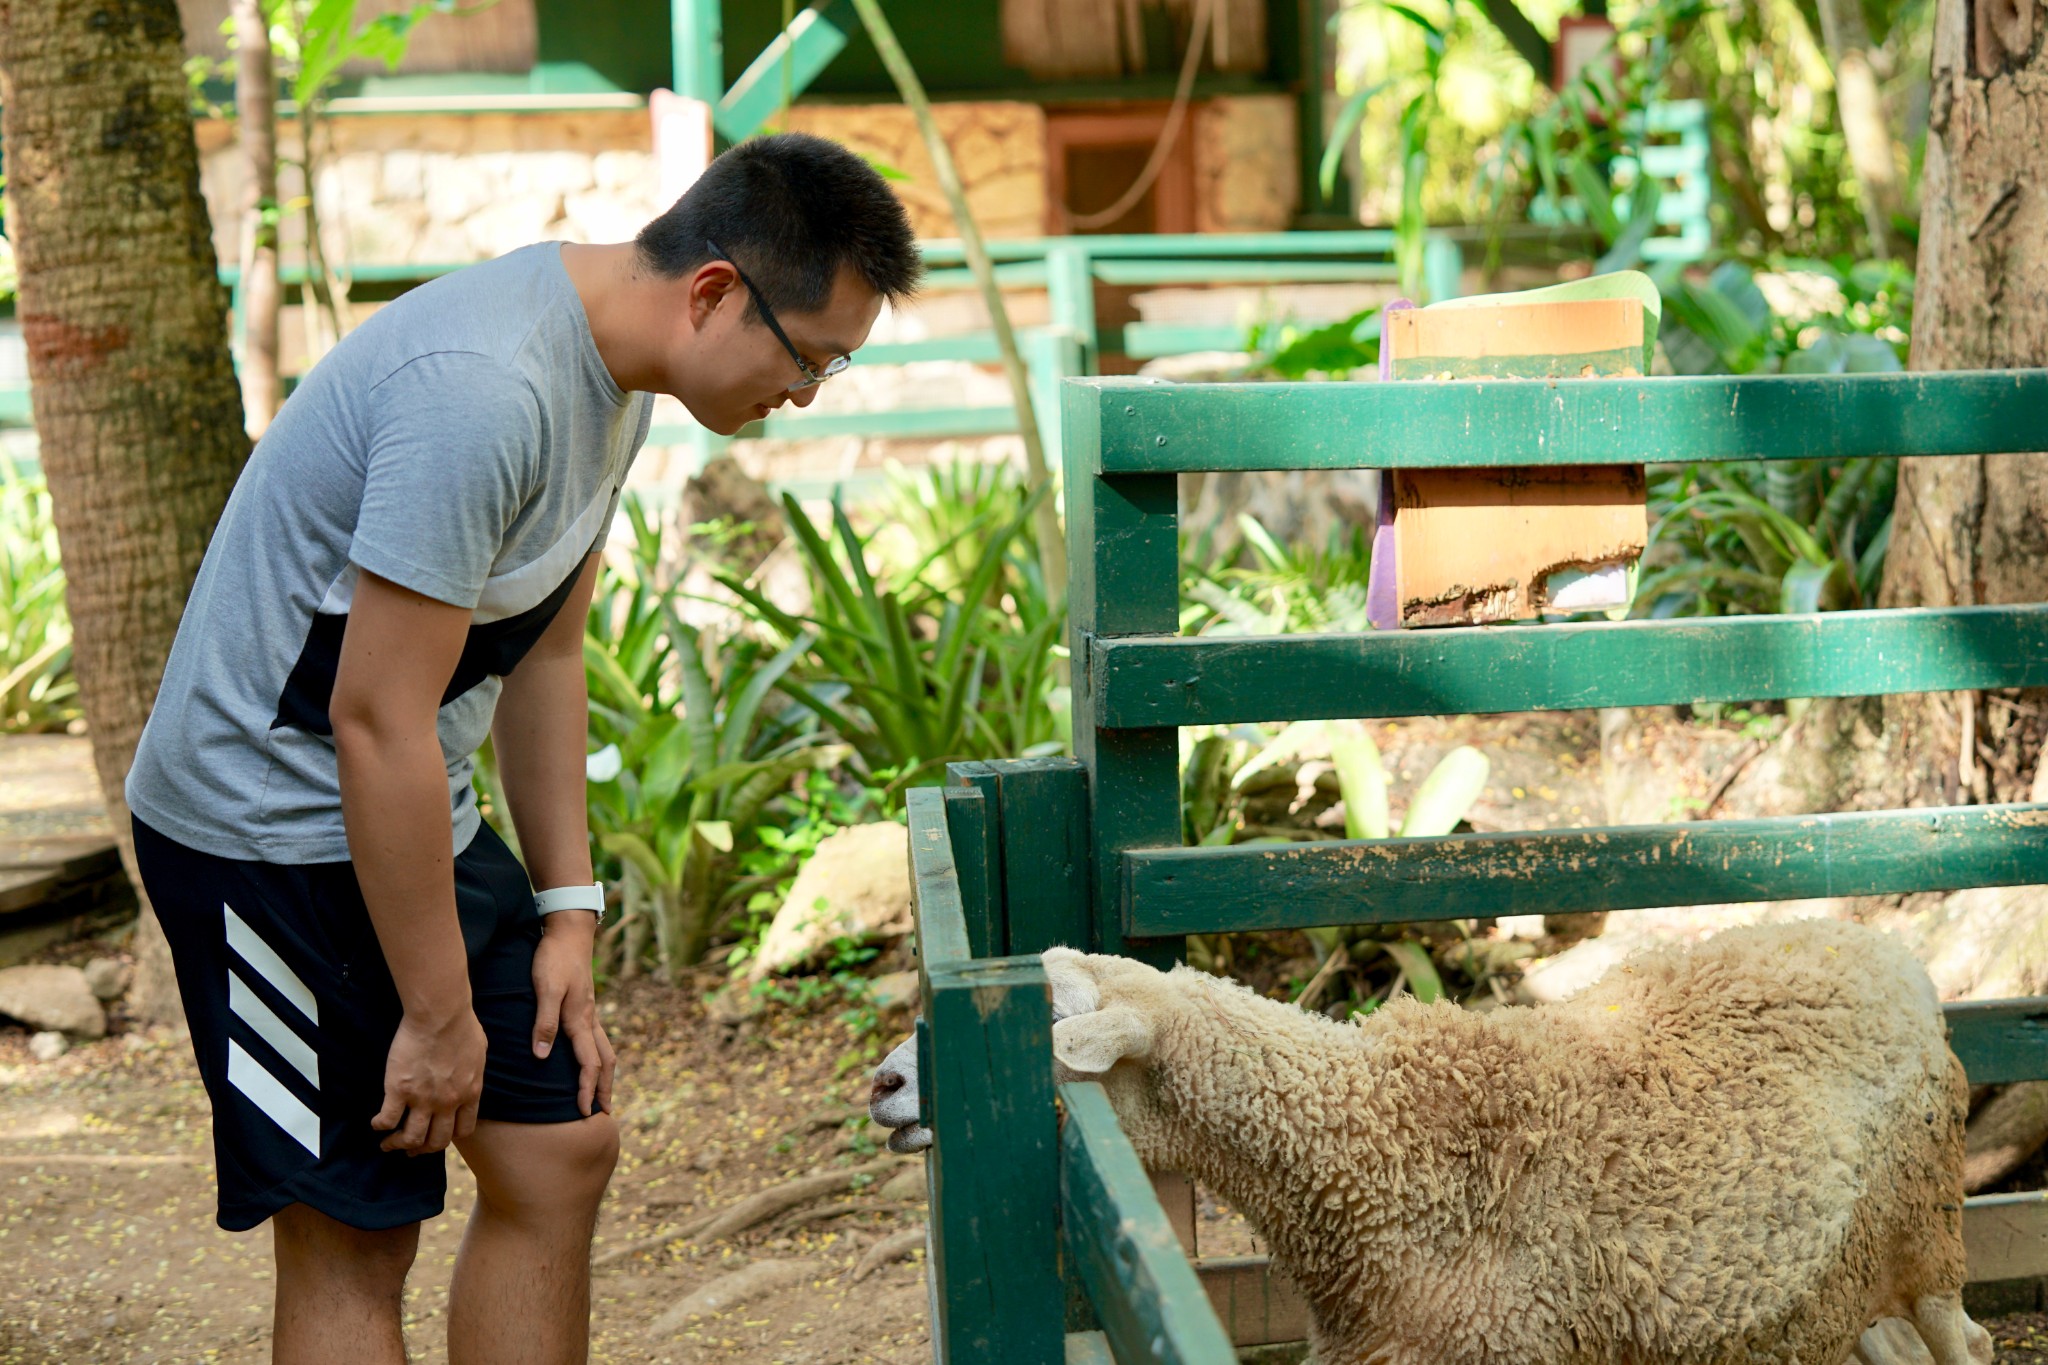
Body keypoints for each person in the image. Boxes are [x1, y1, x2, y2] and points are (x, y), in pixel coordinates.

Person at [123, 131, 922, 1364]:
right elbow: (374, 717)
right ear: (715, 292)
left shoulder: (625, 379)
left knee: (560, 1149)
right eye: (809, 360)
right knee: (354, 1231)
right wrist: (438, 1016)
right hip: (260, 832)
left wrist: (567, 910)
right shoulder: (483, 391)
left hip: (400, 803)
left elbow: (543, 653)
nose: (807, 393)